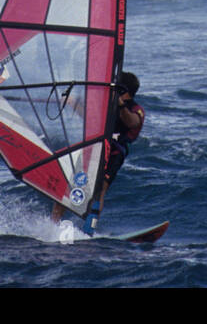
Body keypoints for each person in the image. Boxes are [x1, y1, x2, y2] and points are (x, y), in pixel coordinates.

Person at [50, 72, 145, 229]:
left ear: (123, 89)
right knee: (70, 187)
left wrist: (119, 103)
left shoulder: (136, 108)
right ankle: (52, 228)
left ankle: (89, 229)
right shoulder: (106, 104)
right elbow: (90, 118)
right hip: (93, 148)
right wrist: (72, 103)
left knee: (99, 190)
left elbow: (132, 122)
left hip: (114, 151)